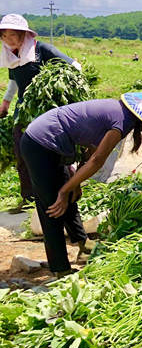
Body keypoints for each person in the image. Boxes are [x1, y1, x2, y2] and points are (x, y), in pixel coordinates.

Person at [20, 92, 142, 277]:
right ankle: (60, 268)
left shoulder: (122, 114)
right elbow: (97, 160)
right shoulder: (121, 122)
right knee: (52, 206)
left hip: (52, 142)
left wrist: (75, 182)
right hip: (40, 143)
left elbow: (92, 148)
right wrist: (64, 190)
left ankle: (84, 245)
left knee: (69, 197)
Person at [0, 14, 82, 213]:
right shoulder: (12, 55)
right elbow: (14, 81)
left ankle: (64, 193)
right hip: (24, 111)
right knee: (21, 152)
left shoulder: (41, 50)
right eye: (4, 36)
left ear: (23, 34)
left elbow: (74, 67)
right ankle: (30, 198)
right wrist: (5, 103)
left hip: (47, 112)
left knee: (52, 155)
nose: (8, 40)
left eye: (12, 35)